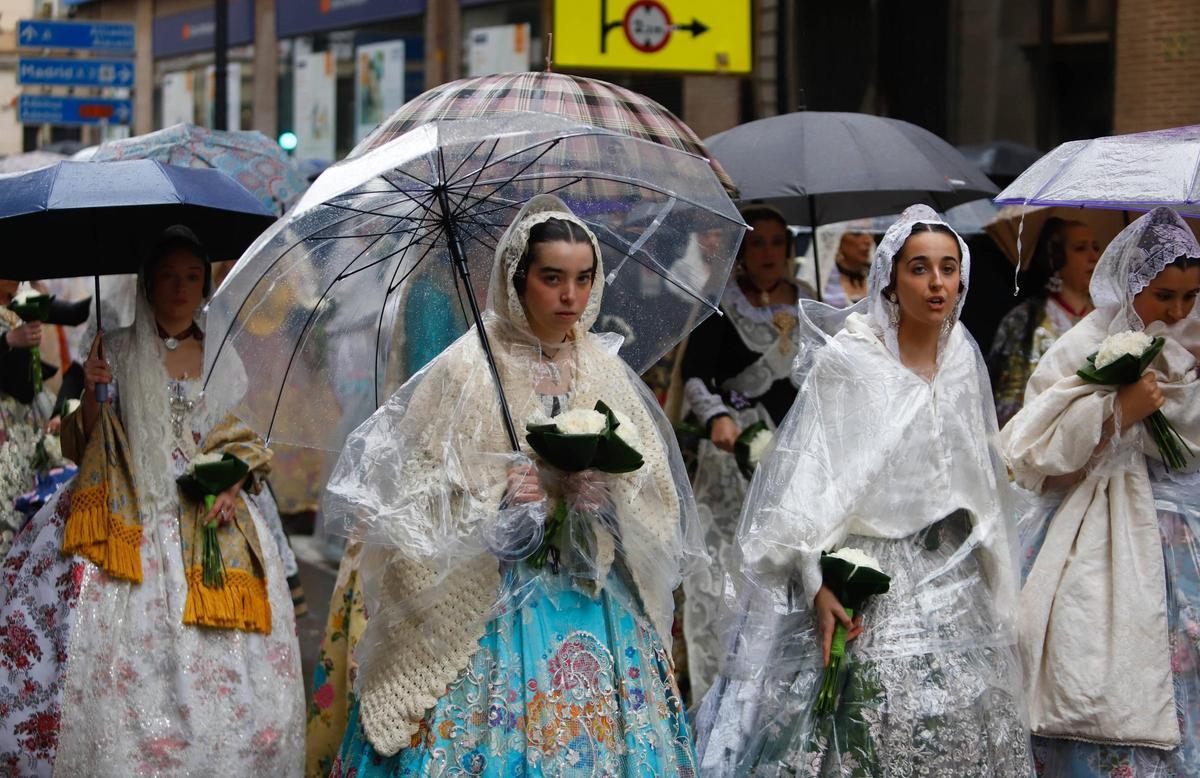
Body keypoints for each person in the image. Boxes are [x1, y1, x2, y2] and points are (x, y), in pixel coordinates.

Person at [325, 195, 705, 775]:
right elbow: (418, 498)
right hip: (488, 595)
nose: (569, 296)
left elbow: (652, 489)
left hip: (591, 586)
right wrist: (496, 504)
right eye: (552, 278)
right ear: (518, 278)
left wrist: (603, 501)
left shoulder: (603, 369)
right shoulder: (465, 368)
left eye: (582, 279)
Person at [695, 205, 1031, 775]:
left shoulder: (962, 360)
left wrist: (1002, 587)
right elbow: (812, 475)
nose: (937, 283)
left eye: (949, 269)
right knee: (868, 730)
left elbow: (980, 474)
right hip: (868, 572)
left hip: (955, 573)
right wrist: (815, 578)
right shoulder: (852, 359)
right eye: (920, 268)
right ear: (892, 279)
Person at [0, 226, 305, 775]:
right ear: (149, 282)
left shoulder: (220, 352)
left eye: (192, 276)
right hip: (131, 510)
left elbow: (239, 434)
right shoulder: (112, 348)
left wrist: (232, 483)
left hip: (210, 514)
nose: (182, 287)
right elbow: (81, 440)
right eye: (169, 276)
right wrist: (92, 392)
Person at [1000, 206, 1200, 776]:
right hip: (1092, 536)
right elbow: (1034, 454)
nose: (1179, 311)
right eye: (1164, 295)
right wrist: (1117, 413)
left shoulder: (1193, 341)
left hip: (1182, 534)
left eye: (1190, 296)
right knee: (1090, 662)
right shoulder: (1082, 342)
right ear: (1132, 285)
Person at [677, 203, 802, 701]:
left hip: (796, 452)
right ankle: (719, 697)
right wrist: (718, 418)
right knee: (729, 565)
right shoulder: (719, 304)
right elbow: (695, 378)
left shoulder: (809, 303)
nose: (768, 252)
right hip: (734, 457)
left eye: (777, 242)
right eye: (757, 242)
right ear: (742, 251)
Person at [989, 218, 1102, 426]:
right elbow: (1011, 399)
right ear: (1056, 256)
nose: (1093, 256)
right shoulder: (1026, 320)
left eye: (1096, 247)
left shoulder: (1108, 315)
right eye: (1080, 248)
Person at [820, 228, 876, 308]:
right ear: (839, 239)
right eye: (857, 233)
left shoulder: (877, 279)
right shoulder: (822, 282)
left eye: (871, 233)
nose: (868, 240)